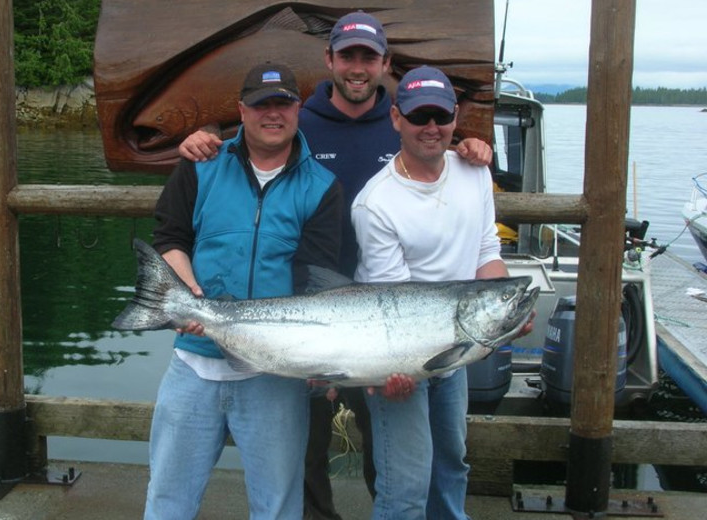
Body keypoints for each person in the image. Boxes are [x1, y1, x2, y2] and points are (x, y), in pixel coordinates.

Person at [178, 12, 492, 520]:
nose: (358, 67)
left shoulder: (406, 120)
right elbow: (249, 140)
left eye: (369, 57)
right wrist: (202, 135)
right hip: (305, 311)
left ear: (385, 65)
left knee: (390, 454)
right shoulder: (298, 118)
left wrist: (472, 144)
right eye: (348, 55)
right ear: (329, 60)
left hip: (388, 314)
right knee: (306, 449)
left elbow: (434, 151)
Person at [145, 62, 343, 520]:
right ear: (241, 110)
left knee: (276, 509)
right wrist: (188, 295)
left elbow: (315, 280)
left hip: (274, 376)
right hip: (193, 362)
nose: (272, 114)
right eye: (261, 104)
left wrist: (318, 360)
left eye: (283, 104)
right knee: (167, 501)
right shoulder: (201, 166)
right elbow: (169, 236)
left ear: (298, 109)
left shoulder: (323, 188)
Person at [351, 65, 532, 519]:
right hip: (401, 358)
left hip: (457, 350)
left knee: (452, 464)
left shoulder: (474, 173)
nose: (431, 128)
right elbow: (390, 304)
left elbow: (487, 250)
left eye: (440, 116)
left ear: (455, 117)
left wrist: (504, 313)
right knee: (405, 484)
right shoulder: (375, 203)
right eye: (418, 117)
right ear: (397, 119)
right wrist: (391, 369)